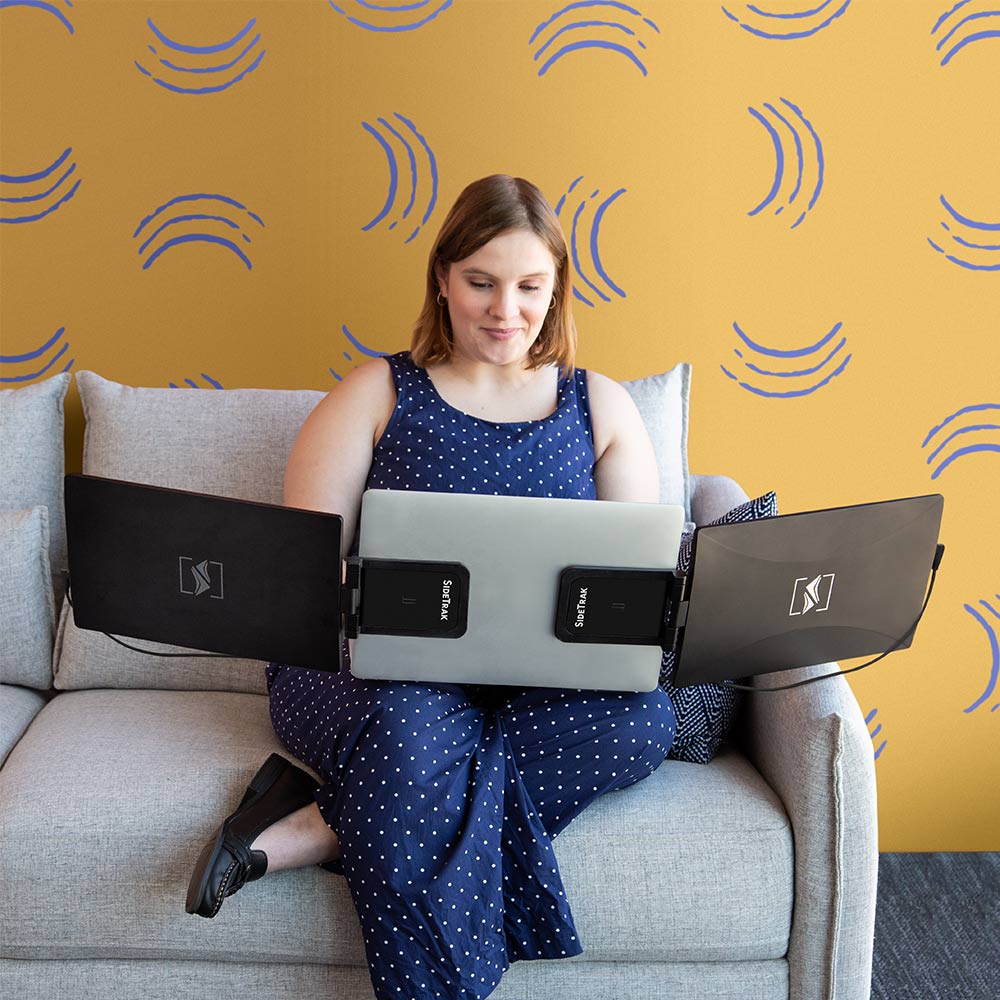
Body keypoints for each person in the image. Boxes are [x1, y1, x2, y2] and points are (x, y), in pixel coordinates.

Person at [185, 174, 677, 999]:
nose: (505, 310)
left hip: (535, 686)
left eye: (529, 287)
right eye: (481, 282)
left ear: (556, 290)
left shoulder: (600, 406)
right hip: (376, 677)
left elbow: (636, 582)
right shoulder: (376, 392)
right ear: (442, 278)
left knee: (641, 719)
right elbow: (300, 573)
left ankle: (324, 823)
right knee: (411, 738)